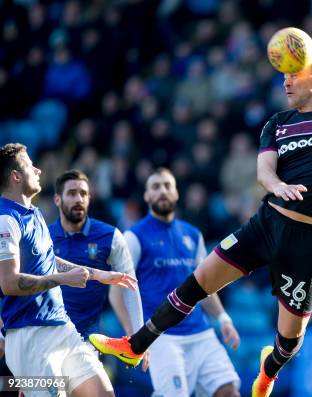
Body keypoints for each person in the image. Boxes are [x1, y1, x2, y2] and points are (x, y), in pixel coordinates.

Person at [89, 54, 312, 397]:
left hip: (307, 239)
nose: (284, 82)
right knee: (197, 282)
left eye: (292, 76)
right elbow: (264, 170)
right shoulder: (277, 123)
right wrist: (277, 186)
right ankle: (135, 345)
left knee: (289, 340)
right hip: (267, 223)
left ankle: (268, 372)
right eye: (282, 76)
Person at [0, 143, 137, 397]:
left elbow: (50, 260)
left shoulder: (35, 213)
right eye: (31, 165)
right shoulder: (5, 220)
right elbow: (8, 283)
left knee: (104, 393)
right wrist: (63, 279)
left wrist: (98, 275)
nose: (38, 170)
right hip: (29, 338)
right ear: (16, 176)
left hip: (63, 328)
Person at [124, 168, 240, 397]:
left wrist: (223, 318)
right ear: (146, 196)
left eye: (167, 186)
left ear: (177, 193)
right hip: (162, 337)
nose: (162, 191)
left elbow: (204, 285)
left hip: (201, 333)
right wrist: (137, 338)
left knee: (229, 392)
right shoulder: (133, 237)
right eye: (155, 187)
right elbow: (119, 290)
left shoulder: (193, 234)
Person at [48, 170, 144, 357]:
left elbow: (130, 286)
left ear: (90, 199)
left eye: (83, 193)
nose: (79, 199)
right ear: (57, 200)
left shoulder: (111, 236)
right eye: (72, 193)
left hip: (87, 340)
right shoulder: (43, 236)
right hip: (47, 335)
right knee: (46, 387)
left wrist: (140, 336)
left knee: (103, 389)